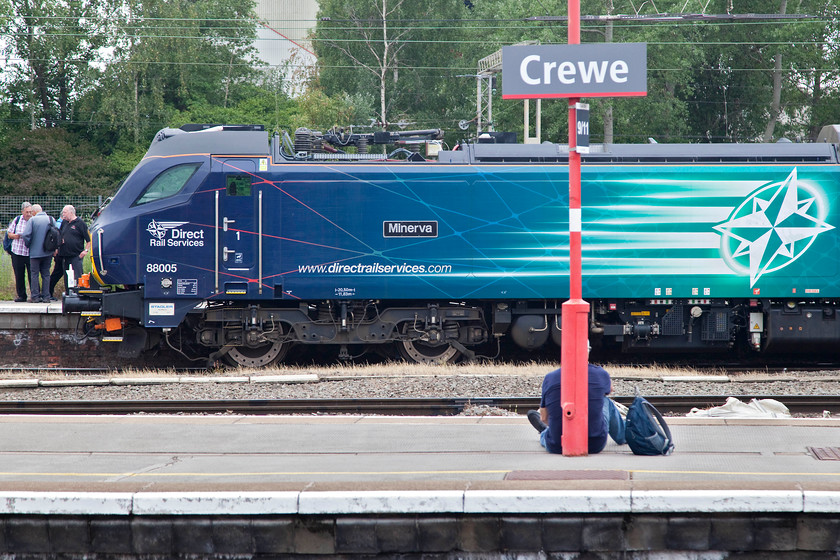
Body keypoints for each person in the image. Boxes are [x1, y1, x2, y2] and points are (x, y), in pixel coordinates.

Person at [527, 341, 626, 454]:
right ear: (588, 351)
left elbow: (544, 417)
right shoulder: (601, 374)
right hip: (595, 444)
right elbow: (609, 390)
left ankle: (546, 430)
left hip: (557, 445)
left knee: (548, 431)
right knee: (606, 401)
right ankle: (623, 435)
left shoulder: (549, 378)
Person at [49, 205, 90, 299]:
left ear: (71, 212)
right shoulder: (64, 222)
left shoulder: (80, 223)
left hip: (76, 254)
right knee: (66, 276)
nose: (63, 214)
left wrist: (86, 250)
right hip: (64, 254)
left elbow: (88, 239)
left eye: (65, 212)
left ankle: (80, 295)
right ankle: (68, 295)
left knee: (78, 275)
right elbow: (60, 234)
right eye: (63, 212)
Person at [21, 204, 56, 303]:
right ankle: (46, 296)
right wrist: (53, 248)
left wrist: (29, 245)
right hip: (48, 252)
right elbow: (56, 234)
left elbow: (25, 235)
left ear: (34, 212)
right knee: (46, 274)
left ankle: (35, 297)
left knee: (34, 274)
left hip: (35, 253)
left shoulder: (32, 220)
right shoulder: (51, 219)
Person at [7, 202, 33, 302]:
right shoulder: (17, 220)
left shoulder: (33, 220)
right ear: (22, 212)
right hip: (17, 251)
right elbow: (9, 233)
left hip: (30, 252)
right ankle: (21, 295)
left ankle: (34, 295)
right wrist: (16, 236)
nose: (29, 214)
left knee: (32, 274)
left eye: (30, 212)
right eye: (27, 212)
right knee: (19, 274)